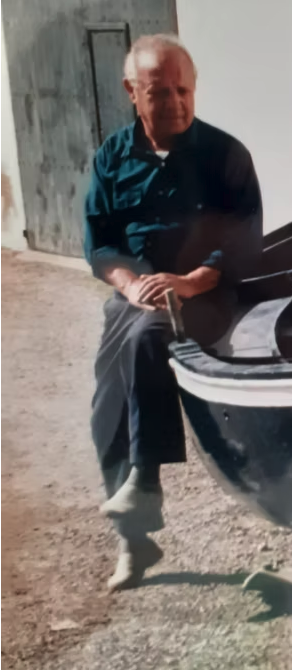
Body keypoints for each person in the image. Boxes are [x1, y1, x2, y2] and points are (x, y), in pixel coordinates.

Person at [84, 35, 262, 591]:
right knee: (106, 411)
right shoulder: (112, 157)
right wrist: (129, 283)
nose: (176, 103)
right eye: (160, 93)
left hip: (210, 294)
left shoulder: (226, 155)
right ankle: (134, 542)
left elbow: (245, 241)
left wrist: (190, 281)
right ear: (131, 92)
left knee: (148, 340)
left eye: (183, 90)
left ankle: (146, 482)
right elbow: (100, 245)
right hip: (138, 298)